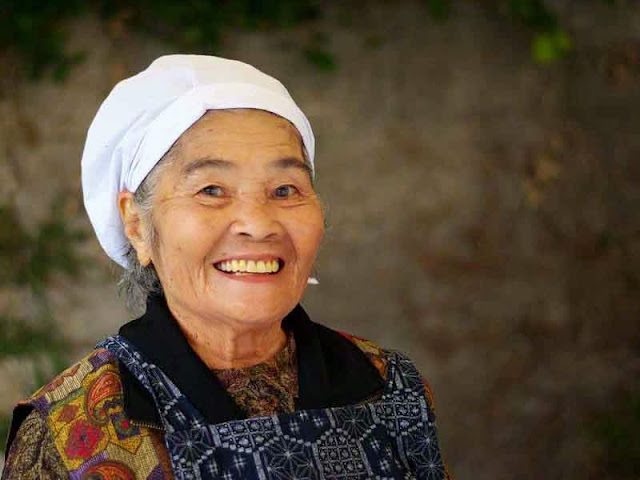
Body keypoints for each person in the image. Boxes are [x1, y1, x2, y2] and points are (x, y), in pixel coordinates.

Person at [2, 55, 452, 480]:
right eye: (212, 190)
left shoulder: (389, 384)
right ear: (137, 224)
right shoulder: (68, 432)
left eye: (285, 189)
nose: (258, 224)